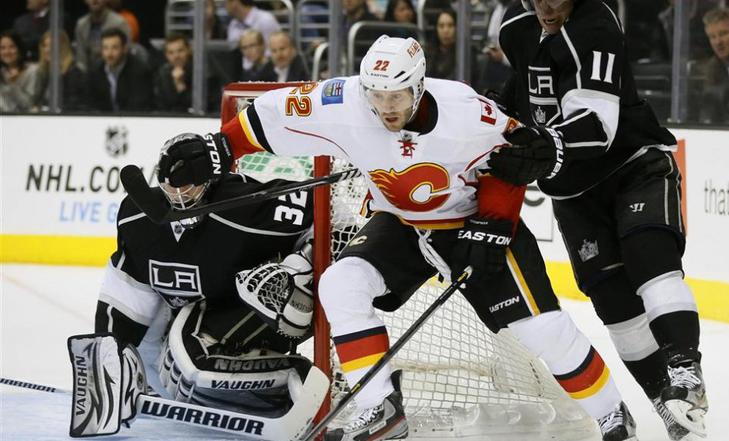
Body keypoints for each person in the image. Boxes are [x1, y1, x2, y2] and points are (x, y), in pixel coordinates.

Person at [157, 35, 637, 441]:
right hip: (401, 224)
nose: (386, 108)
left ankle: (613, 415)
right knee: (340, 285)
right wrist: (220, 147)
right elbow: (271, 114)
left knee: (542, 332)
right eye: (377, 96)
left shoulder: (467, 114)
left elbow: (516, 161)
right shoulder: (343, 101)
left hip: (472, 226)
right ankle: (380, 407)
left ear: (419, 86)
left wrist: (493, 223)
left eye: (397, 97)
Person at [490, 1, 709, 440]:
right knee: (616, 309)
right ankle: (666, 399)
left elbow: (598, 123)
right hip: (574, 195)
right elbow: (523, 86)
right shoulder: (515, 25)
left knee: (651, 265)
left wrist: (546, 145)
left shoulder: (596, 23)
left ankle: (686, 372)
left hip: (633, 166)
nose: (546, 6)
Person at [66, 137, 321, 437]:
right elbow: (128, 287)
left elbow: (329, 211)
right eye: (172, 189)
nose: (180, 198)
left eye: (190, 189)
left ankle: (298, 381)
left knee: (187, 363)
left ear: (210, 182)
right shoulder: (136, 216)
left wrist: (298, 267)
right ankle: (233, 399)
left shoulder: (245, 208)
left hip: (260, 308)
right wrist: (109, 353)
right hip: (195, 310)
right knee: (160, 370)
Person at [86, 27, 152, 112]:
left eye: (114, 48)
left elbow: (138, 107)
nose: (109, 54)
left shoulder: (140, 71)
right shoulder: (95, 70)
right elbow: (91, 103)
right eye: (105, 48)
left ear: (124, 49)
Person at [32, 30, 85, 111]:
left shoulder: (74, 72)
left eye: (51, 45)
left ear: (62, 47)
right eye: (44, 45)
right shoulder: (42, 71)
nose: (47, 50)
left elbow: (74, 105)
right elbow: (36, 101)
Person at [425, 9, 479, 85]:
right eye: (441, 26)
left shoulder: (466, 53)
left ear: (457, 28)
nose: (446, 30)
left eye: (450, 25)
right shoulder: (428, 52)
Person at [74, 0, 131, 70]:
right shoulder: (81, 25)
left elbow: (126, 56)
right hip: (88, 76)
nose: (94, 0)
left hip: (114, 73)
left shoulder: (119, 24)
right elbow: (81, 60)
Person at [0, 30, 38, 113]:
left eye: (12, 47)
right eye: (2, 48)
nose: (7, 52)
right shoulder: (2, 72)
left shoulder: (32, 71)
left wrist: (12, 85)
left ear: (19, 48)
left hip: (25, 121)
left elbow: (29, 105)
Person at [153, 33, 192, 112]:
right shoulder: (162, 74)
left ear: (189, 50)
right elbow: (161, 105)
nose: (176, 56)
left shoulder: (200, 72)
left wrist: (180, 86)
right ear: (166, 55)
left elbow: (193, 106)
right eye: (171, 53)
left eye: (180, 51)